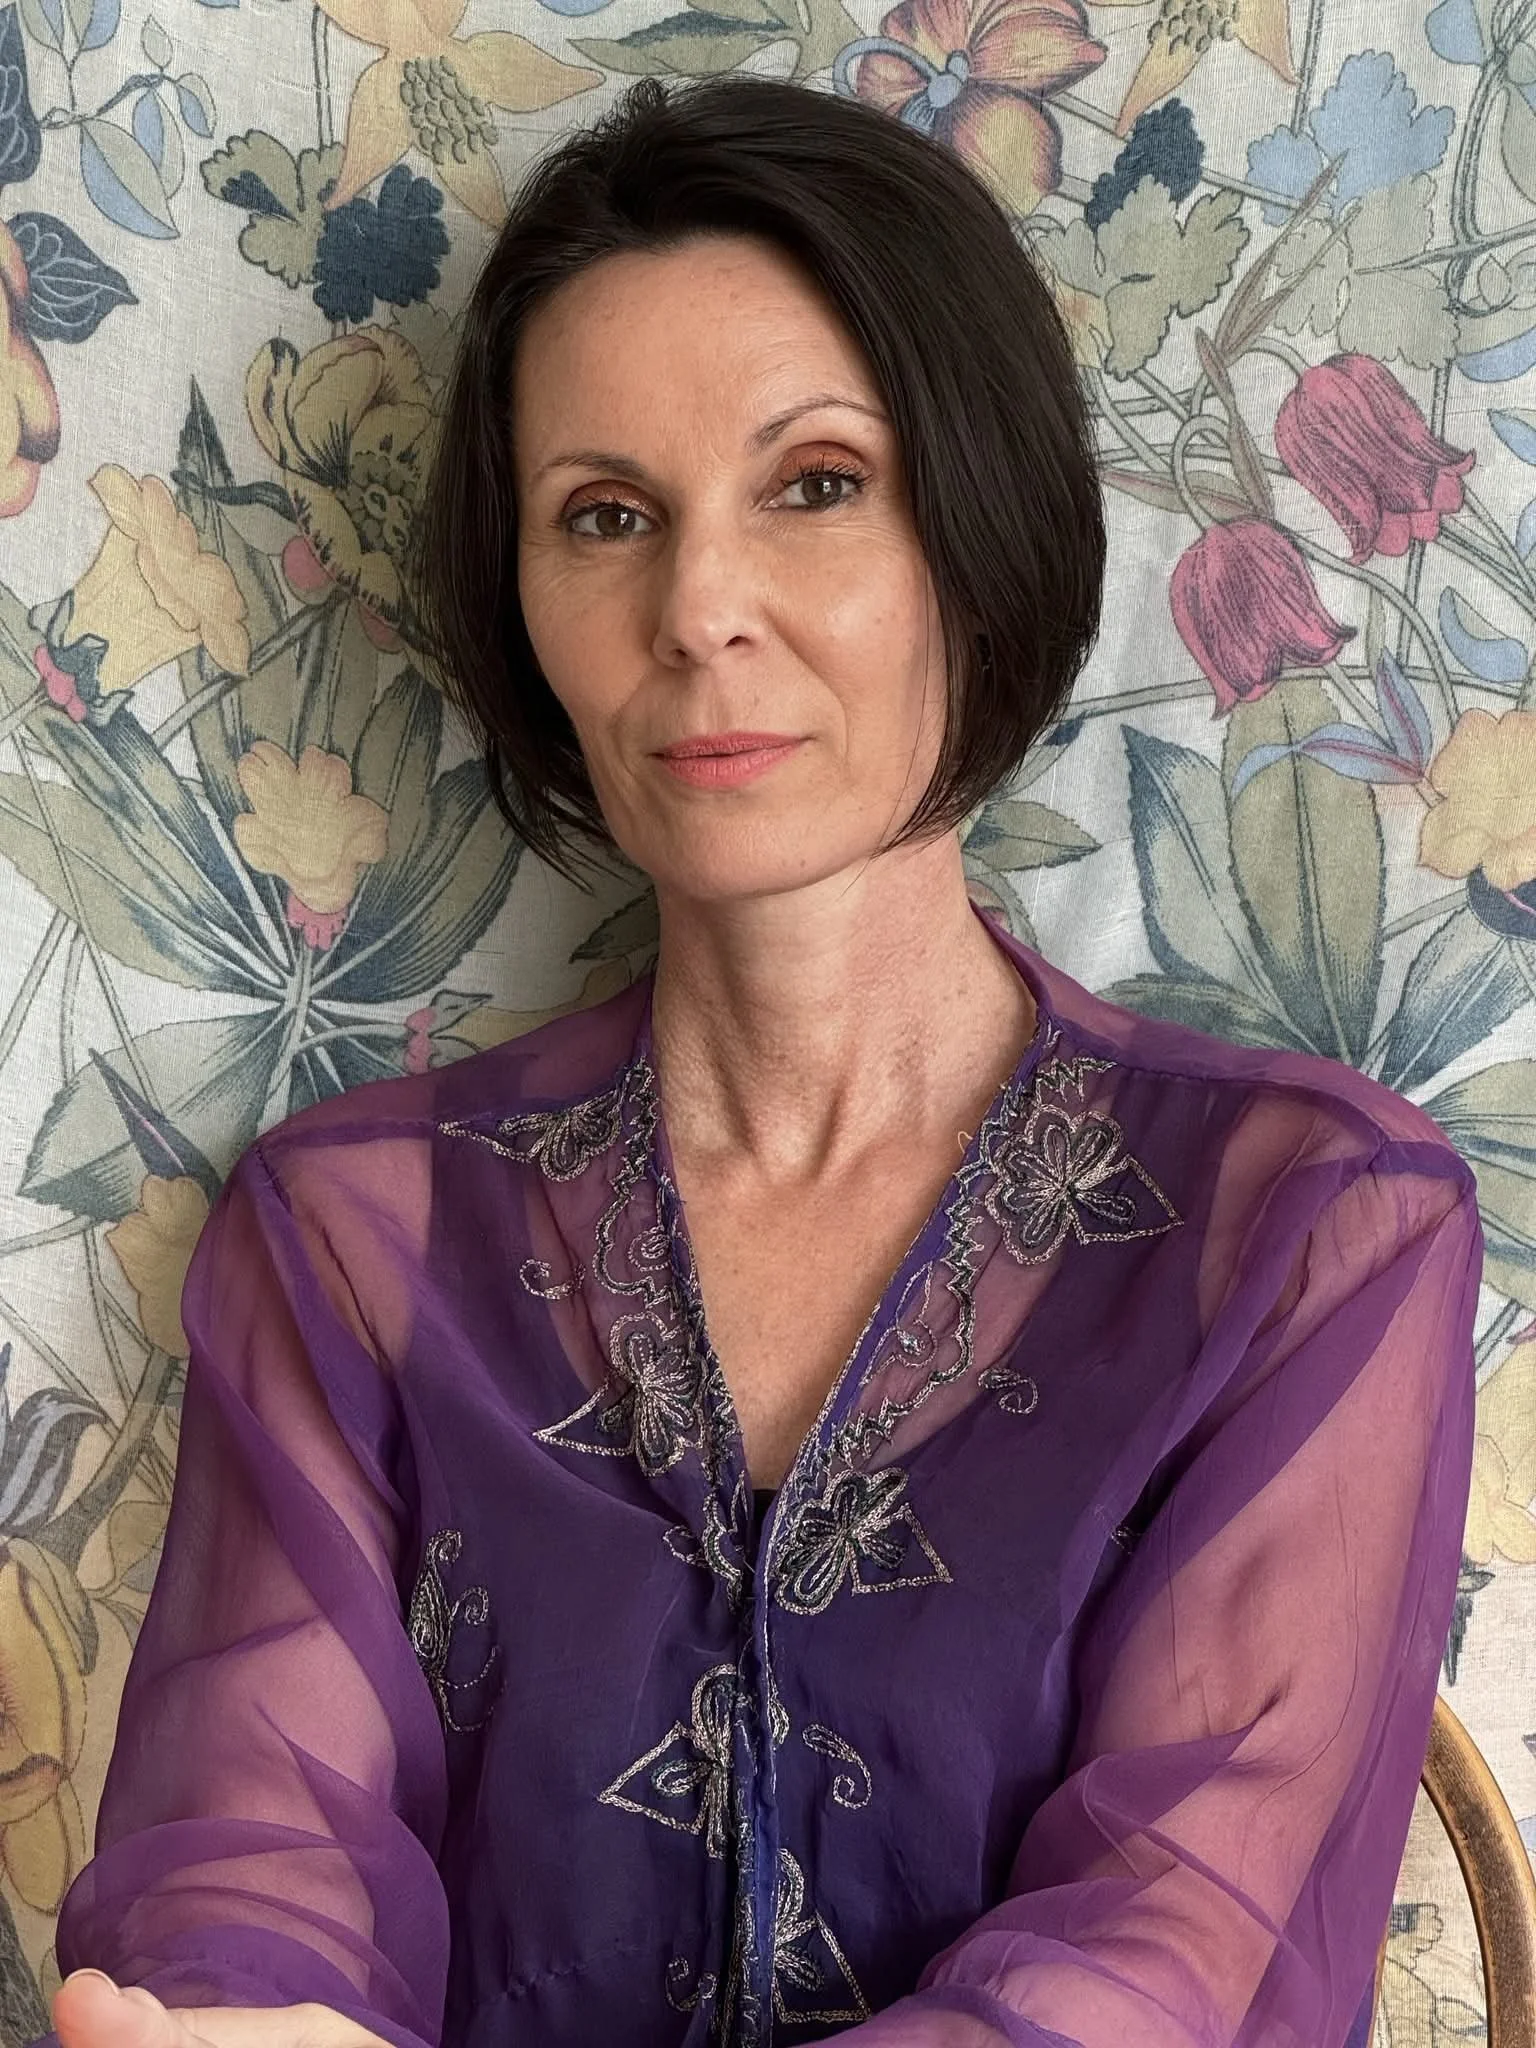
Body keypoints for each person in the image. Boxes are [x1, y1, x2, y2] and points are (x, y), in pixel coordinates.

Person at [39, 71, 1480, 2048]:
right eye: (604, 516)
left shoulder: (1306, 1228)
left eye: (814, 483)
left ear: (974, 521)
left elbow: (1175, 1946)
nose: (697, 609)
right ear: (523, 599)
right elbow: (249, 1852)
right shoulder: (356, 1242)